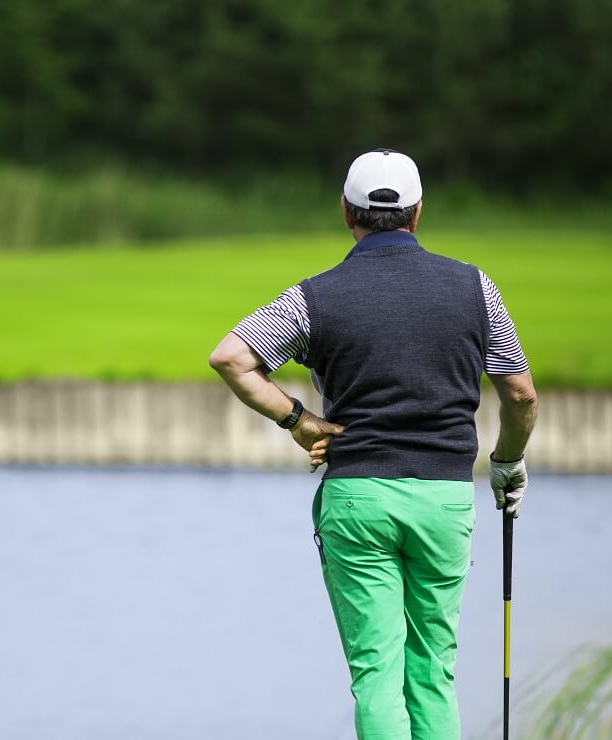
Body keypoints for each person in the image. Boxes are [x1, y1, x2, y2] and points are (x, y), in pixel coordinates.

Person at [208, 149, 538, 739]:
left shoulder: (315, 297)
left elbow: (232, 358)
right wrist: (508, 462)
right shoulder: (473, 288)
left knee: (376, 674)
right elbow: (519, 394)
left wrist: (299, 421)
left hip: (357, 499)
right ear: (417, 213)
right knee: (433, 670)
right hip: (442, 500)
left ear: (346, 212)